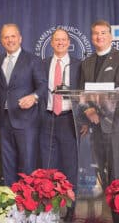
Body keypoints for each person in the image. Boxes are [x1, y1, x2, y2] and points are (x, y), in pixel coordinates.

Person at [80, 19, 119, 223]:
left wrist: (97, 109)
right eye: (95, 33)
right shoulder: (87, 63)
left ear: (110, 36)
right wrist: (89, 111)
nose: (99, 37)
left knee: (116, 173)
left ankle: (118, 218)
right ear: (91, 36)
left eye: (103, 33)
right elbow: (81, 94)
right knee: (100, 173)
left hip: (116, 124)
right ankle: (103, 216)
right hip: (94, 125)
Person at [0, 23, 47, 186]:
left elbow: (43, 85)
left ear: (20, 38)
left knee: (27, 165)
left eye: (13, 36)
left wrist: (34, 97)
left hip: (26, 121)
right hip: (4, 121)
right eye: (6, 37)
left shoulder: (33, 60)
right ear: (1, 40)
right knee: (8, 165)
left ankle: (27, 206)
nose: (10, 40)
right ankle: (11, 204)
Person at [39, 28, 81, 222]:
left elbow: (86, 95)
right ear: (51, 42)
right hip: (46, 119)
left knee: (70, 166)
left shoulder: (79, 65)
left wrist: (85, 121)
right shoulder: (42, 64)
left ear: (69, 42)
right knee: (48, 166)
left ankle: (70, 210)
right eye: (57, 40)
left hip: (68, 119)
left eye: (64, 40)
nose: (60, 43)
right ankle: (51, 209)